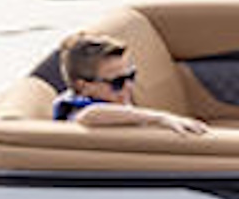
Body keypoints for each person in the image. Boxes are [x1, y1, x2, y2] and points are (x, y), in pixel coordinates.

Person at [52, 32, 208, 134]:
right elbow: (90, 115)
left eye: (131, 76)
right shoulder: (78, 110)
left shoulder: (115, 102)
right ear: (84, 87)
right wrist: (161, 118)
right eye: (117, 82)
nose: (128, 86)